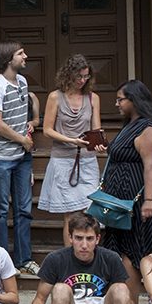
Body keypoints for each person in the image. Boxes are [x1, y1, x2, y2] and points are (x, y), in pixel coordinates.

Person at [101, 80, 152, 304]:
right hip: (123, 203)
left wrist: (150, 202)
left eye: (120, 99)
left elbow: (150, 166)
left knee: (136, 252)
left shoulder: (148, 128)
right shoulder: (129, 125)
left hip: (142, 200)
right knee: (123, 250)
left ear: (134, 100)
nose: (117, 104)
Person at [0, 42, 40, 275]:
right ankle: (0, 262)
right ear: (9, 59)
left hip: (22, 156)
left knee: (24, 209)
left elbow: (19, 115)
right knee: (0, 210)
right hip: (1, 157)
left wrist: (29, 128)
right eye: (20, 53)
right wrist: (22, 140)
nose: (25, 56)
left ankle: (23, 259)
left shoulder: (23, 82)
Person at [39, 55, 106, 245]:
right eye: (79, 76)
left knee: (91, 210)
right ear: (68, 75)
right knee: (70, 214)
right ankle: (71, 259)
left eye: (86, 76)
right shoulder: (55, 97)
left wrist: (99, 143)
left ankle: (89, 255)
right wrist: (72, 140)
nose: (82, 80)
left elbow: (96, 129)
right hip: (63, 160)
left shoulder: (93, 98)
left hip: (87, 160)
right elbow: (47, 130)